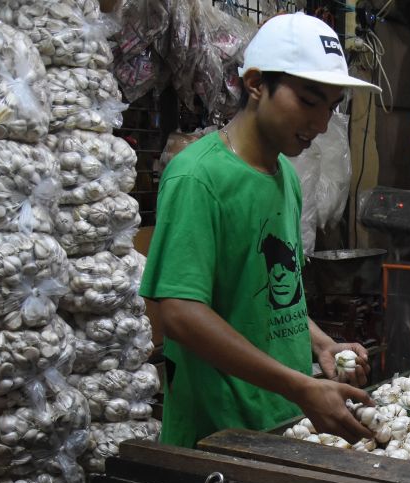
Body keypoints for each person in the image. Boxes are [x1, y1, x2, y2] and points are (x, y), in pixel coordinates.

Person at [140, 12, 378, 449]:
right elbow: (180, 314)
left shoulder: (285, 175)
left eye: (332, 105)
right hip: (218, 436)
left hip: (279, 424)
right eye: (309, 101)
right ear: (255, 84)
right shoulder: (197, 178)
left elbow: (264, 296)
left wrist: (321, 344)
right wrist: (299, 387)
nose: (322, 123)